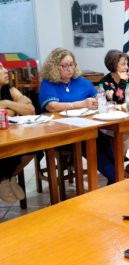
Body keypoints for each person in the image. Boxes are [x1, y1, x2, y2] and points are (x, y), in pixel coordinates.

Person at [39, 48, 116, 185]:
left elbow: (95, 98)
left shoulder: (82, 82)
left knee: (104, 142)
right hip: (61, 131)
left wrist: (99, 99)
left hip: (86, 128)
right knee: (90, 145)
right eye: (64, 66)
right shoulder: (48, 83)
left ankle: (115, 180)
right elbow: (52, 106)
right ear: (54, 67)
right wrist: (81, 104)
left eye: (72, 64)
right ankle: (120, 180)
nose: (69, 69)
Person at [0, 62, 41, 204]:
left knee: (36, 146)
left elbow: (30, 109)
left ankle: (9, 177)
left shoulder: (8, 89)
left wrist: (7, 103)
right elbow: (7, 114)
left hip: (12, 135)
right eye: (0, 68)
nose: (6, 70)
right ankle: (3, 180)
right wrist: (16, 108)